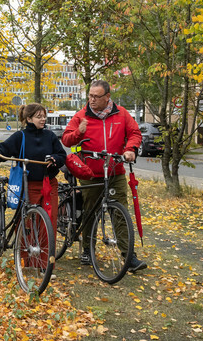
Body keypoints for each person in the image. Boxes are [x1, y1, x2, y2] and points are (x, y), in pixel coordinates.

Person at [61, 80, 147, 273]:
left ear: (108, 97)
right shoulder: (81, 115)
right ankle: (87, 250)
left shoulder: (122, 114)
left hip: (115, 171)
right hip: (91, 173)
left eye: (96, 97)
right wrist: (78, 132)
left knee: (119, 212)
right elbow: (66, 138)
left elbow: (134, 133)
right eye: (90, 96)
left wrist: (130, 149)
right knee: (90, 211)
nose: (91, 100)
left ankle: (128, 256)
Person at [0, 103, 66, 230]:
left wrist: (55, 159)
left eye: (44, 116)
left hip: (49, 185)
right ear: (29, 119)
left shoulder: (50, 136)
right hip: (28, 186)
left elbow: (61, 154)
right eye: (39, 116)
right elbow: (4, 149)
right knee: (27, 224)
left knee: (49, 222)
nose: (43, 119)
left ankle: (47, 250)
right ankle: (24, 250)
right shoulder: (20, 136)